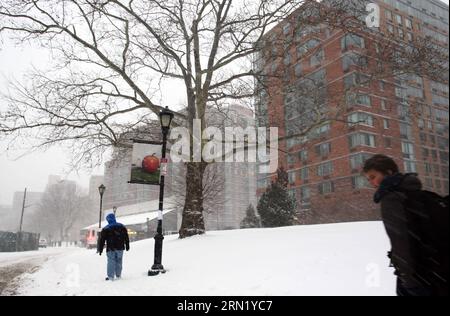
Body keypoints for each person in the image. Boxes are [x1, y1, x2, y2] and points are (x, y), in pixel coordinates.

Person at [363, 154, 449, 296]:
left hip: (418, 275)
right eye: (368, 179)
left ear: (389, 172)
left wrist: (408, 281)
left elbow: (401, 243)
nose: (372, 183)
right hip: (437, 271)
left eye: (373, 177)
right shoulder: (416, 192)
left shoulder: (391, 199)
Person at [97, 213, 130, 281]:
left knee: (111, 262)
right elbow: (126, 237)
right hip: (120, 247)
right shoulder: (122, 226)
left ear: (108, 220)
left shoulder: (106, 228)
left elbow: (102, 240)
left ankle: (110, 277)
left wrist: (100, 249)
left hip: (110, 248)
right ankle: (118, 275)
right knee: (119, 261)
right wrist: (127, 245)